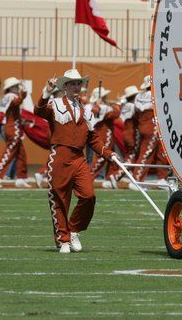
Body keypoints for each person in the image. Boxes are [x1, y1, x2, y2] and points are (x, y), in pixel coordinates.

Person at [34, 69, 117, 253]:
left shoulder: (86, 110)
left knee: (89, 196)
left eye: (79, 83)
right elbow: (38, 111)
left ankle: (73, 230)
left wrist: (108, 153)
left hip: (79, 157)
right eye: (72, 83)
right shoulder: (55, 104)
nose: (77, 87)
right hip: (60, 155)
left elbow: (93, 138)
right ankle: (63, 239)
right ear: (64, 87)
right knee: (59, 199)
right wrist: (46, 92)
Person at [0, 77, 30, 188]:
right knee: (9, 153)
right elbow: (16, 103)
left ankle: (21, 177)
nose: (17, 88)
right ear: (11, 88)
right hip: (12, 127)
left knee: (21, 154)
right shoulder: (11, 96)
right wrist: (23, 93)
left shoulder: (5, 97)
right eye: (15, 86)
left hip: (11, 125)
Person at [86, 86, 120, 184]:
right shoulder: (101, 108)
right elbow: (116, 113)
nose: (106, 98)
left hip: (104, 134)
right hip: (105, 134)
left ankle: (110, 177)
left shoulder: (100, 107)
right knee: (102, 157)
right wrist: (117, 104)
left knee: (111, 157)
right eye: (105, 96)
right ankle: (87, 178)